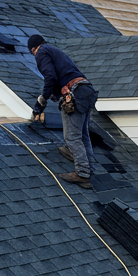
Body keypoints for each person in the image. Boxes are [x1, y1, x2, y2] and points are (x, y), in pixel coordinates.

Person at [27, 34, 97, 188]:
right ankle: (89, 169)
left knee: (72, 137)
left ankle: (82, 173)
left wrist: (42, 100)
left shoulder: (41, 52)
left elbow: (50, 77)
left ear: (33, 49)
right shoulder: (53, 50)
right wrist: (52, 95)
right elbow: (57, 79)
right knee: (83, 135)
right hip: (86, 90)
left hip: (74, 93)